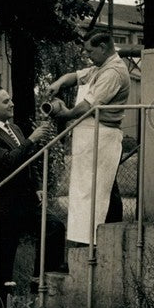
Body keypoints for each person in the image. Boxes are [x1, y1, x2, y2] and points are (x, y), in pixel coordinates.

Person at [0, 87, 66, 308]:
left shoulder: (13, 128)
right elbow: (8, 162)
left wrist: (36, 186)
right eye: (6, 102)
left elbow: (28, 161)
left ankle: (39, 286)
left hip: (24, 202)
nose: (12, 104)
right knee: (2, 262)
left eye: (11, 100)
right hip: (0, 207)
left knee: (54, 228)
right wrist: (32, 139)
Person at [46, 31, 131, 245]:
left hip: (103, 135)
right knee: (93, 189)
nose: (88, 56)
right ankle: (92, 241)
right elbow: (75, 76)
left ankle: (100, 240)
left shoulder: (113, 72)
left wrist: (65, 114)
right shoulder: (99, 68)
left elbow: (86, 106)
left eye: (90, 51)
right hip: (90, 135)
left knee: (99, 190)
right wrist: (58, 83)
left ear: (103, 47)